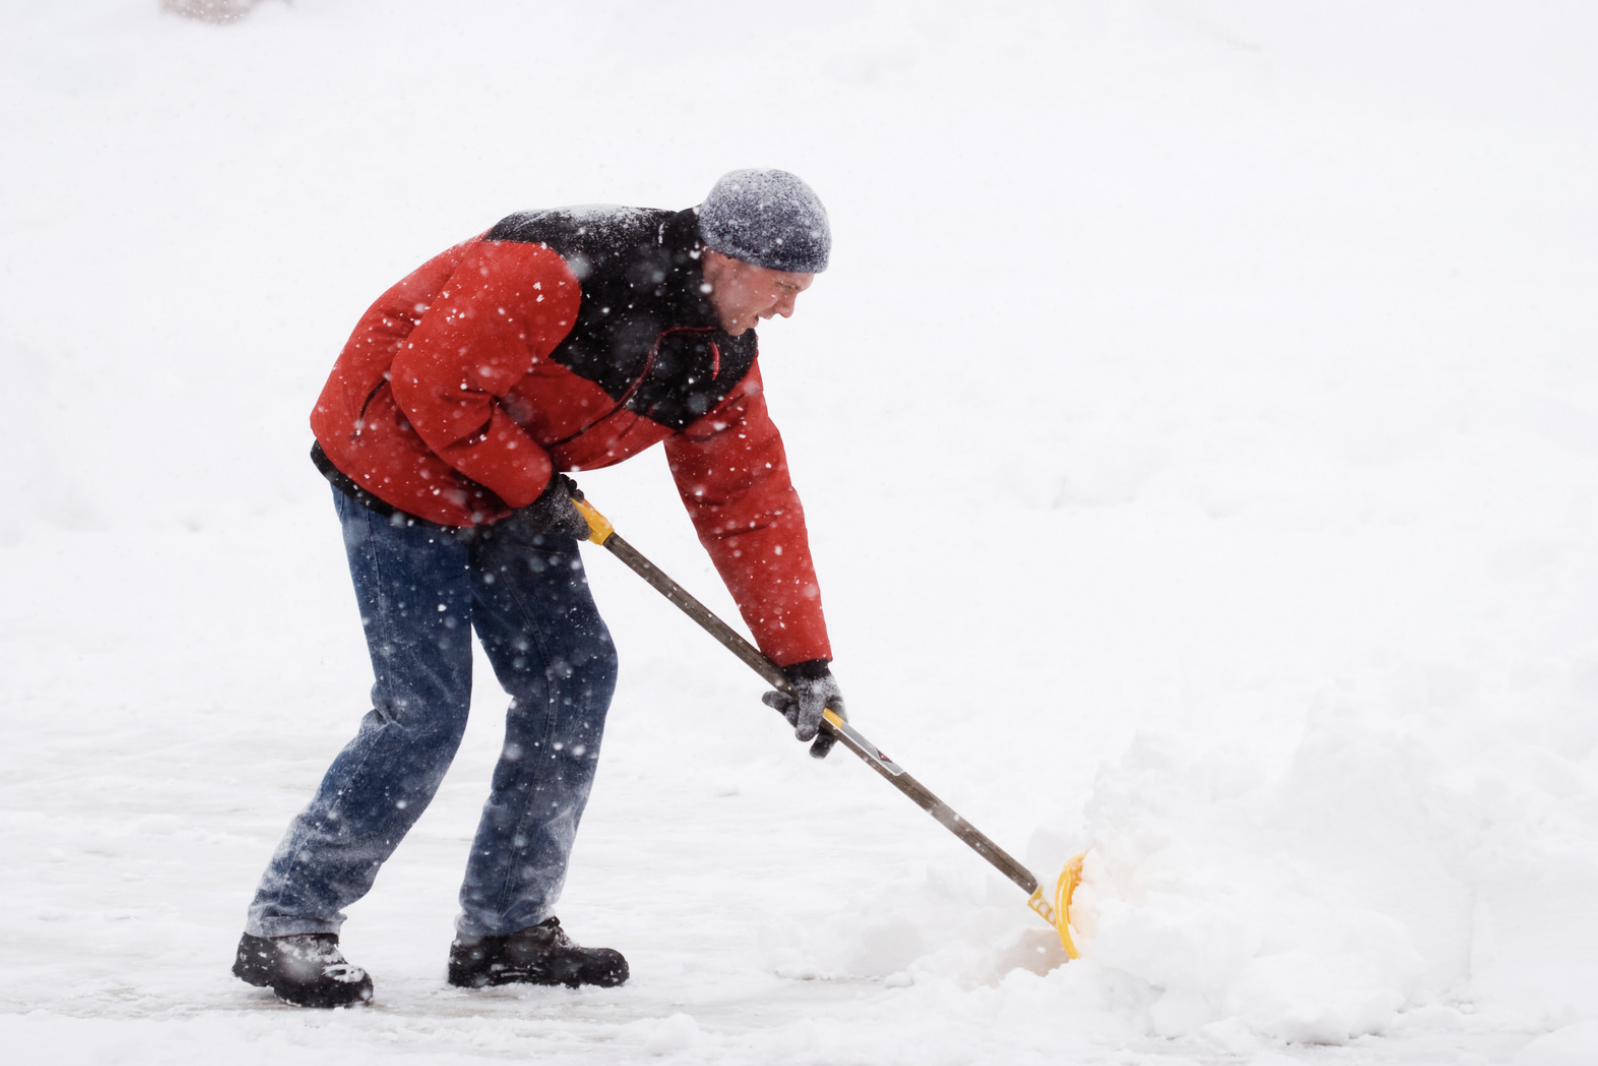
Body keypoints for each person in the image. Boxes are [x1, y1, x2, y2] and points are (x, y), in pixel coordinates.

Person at [232, 170, 846, 1008]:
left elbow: (747, 501)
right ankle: (288, 923)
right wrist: (532, 482)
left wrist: (802, 657)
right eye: (781, 288)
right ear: (723, 255)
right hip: (396, 454)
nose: (786, 311)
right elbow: (433, 387)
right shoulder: (558, 263)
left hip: (505, 466)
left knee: (572, 676)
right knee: (425, 709)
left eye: (799, 293)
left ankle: (507, 929)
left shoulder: (715, 354)